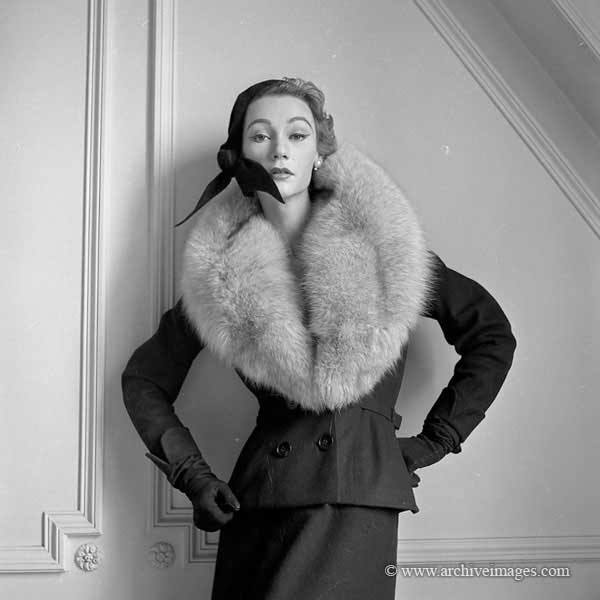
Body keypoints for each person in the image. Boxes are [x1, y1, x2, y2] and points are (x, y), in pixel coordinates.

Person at [121, 77, 516, 599]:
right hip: (258, 503)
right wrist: (192, 473)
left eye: (297, 134)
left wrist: (434, 441)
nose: (279, 150)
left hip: (355, 497)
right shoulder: (219, 275)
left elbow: (491, 334)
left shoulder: (385, 249)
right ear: (239, 157)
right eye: (260, 136)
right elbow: (144, 379)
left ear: (320, 151)